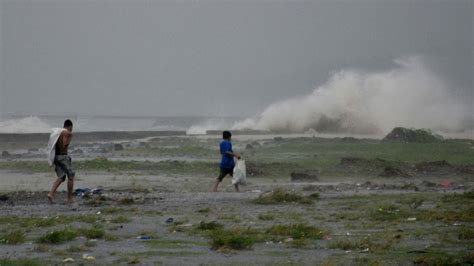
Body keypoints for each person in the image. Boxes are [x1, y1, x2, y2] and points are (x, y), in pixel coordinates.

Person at [47, 119, 75, 204]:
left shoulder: (58, 133)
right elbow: (64, 144)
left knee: (62, 177)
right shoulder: (67, 133)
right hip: (63, 156)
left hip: (56, 157)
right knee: (71, 176)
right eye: (71, 128)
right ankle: (69, 198)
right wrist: (69, 139)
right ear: (70, 127)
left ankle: (51, 194)